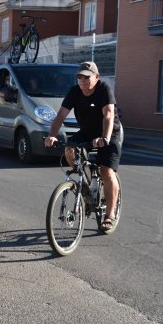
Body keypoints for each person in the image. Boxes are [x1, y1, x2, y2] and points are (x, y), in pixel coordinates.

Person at [44, 61, 123, 231]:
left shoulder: (104, 90)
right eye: (79, 77)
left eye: (86, 77)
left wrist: (105, 138)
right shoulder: (74, 92)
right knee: (69, 150)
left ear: (96, 77)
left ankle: (110, 215)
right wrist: (51, 135)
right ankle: (85, 186)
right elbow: (60, 115)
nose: (82, 81)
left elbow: (108, 115)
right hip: (87, 132)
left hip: (110, 132)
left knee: (106, 171)